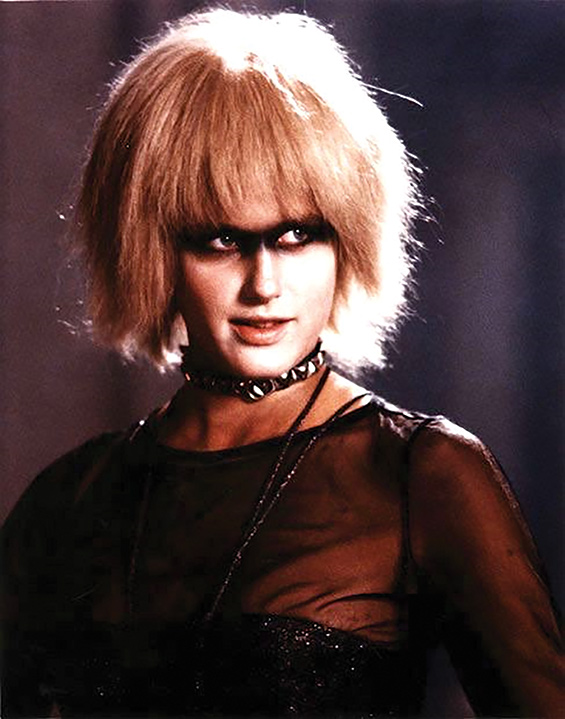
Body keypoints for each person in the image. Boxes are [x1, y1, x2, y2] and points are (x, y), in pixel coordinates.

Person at [1, 8, 563, 718]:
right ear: (152, 249)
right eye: (220, 239)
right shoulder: (69, 501)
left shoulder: (422, 474)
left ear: (348, 238)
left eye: (297, 235)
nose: (264, 283)